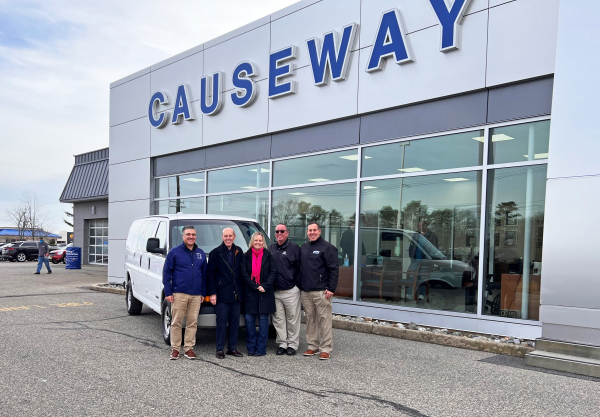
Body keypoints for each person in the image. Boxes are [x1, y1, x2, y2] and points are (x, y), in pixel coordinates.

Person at [162, 225, 207, 360]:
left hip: (196, 294)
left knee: (192, 322)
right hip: (179, 293)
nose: (191, 237)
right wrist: (168, 292)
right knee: (176, 322)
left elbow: (204, 275)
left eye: (193, 234)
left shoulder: (200, 253)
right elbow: (167, 273)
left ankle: (189, 349)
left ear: (196, 236)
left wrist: (203, 293)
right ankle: (175, 349)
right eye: (188, 234)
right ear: (183, 236)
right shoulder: (174, 252)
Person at [299, 222, 338, 360]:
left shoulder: (328, 248)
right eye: (310, 230)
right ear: (307, 232)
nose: (312, 232)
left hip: (322, 291)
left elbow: (334, 269)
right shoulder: (303, 248)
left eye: (314, 230)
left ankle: (326, 349)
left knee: (324, 320)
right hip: (306, 291)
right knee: (310, 319)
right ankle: (312, 346)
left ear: (319, 231)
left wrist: (331, 288)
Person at [207, 228, 245, 359]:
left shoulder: (239, 251)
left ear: (234, 237)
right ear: (222, 237)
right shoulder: (215, 253)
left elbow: (242, 273)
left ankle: (232, 348)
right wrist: (212, 293)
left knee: (235, 323)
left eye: (230, 236)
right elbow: (210, 275)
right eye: (225, 236)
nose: (228, 238)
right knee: (222, 323)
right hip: (222, 294)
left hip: (236, 294)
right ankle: (219, 349)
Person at [268, 223, 301, 356]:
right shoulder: (270, 248)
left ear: (287, 233)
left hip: (291, 290)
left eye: (282, 231)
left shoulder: (294, 248)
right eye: (277, 232)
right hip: (275, 291)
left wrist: (297, 286)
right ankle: (282, 343)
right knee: (278, 319)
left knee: (292, 318)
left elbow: (300, 268)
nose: (279, 234)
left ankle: (292, 344)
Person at [241, 232, 276, 356]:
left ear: (263, 242)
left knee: (263, 322)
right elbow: (244, 274)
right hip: (250, 293)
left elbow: (273, 273)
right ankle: (251, 348)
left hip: (264, 293)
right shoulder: (246, 256)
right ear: (252, 241)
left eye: (260, 241)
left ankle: (261, 349)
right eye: (256, 240)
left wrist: (264, 286)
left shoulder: (269, 255)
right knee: (249, 322)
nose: (258, 242)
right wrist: (255, 286)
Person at [408, 221, 439, 301]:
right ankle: (409, 294)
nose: (420, 228)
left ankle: (421, 294)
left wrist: (431, 258)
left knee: (423, 277)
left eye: (421, 226)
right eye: (418, 226)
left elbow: (435, 248)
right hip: (415, 259)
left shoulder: (432, 235)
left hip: (425, 259)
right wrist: (411, 256)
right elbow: (411, 245)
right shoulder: (416, 235)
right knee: (411, 275)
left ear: (425, 225)